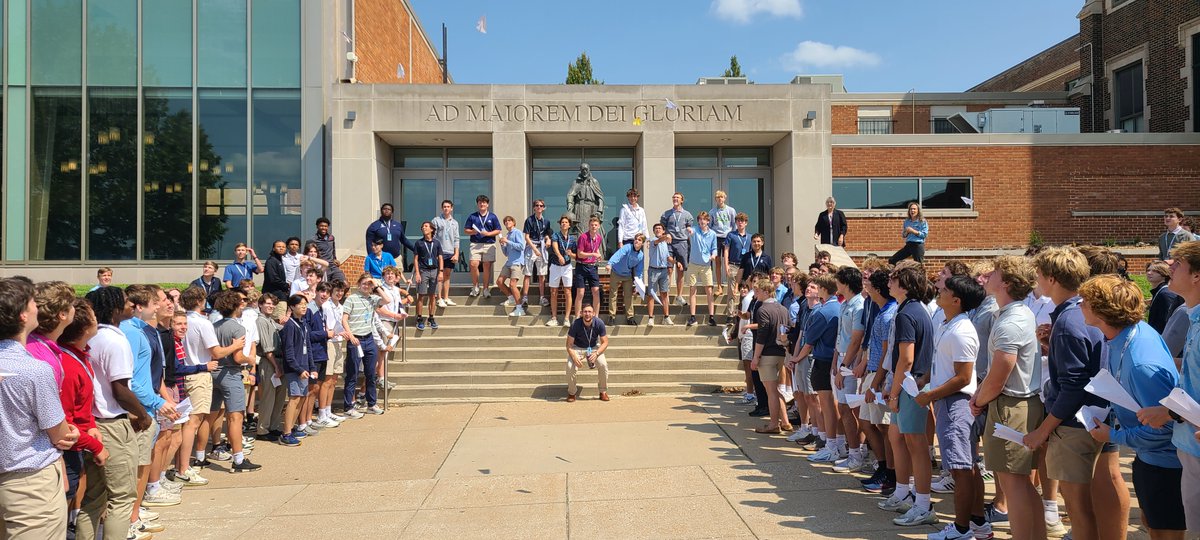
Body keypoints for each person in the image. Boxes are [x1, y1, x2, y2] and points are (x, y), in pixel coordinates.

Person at [1019, 246, 1127, 540]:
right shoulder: (1083, 312)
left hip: (1073, 425)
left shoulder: (1068, 321)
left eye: (1039, 275)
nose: (1036, 281)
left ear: (1052, 279)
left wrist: (1043, 430)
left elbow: (1072, 387)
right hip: (1097, 415)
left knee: (1078, 509)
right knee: (1086, 505)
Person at [1080, 274, 1187, 539]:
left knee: (1165, 534)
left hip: (1165, 465)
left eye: (1084, 301)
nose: (1079, 305)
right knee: (1154, 528)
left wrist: (1112, 435)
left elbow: (1164, 427)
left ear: (1100, 310)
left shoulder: (1140, 364)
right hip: (1150, 459)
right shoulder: (1131, 333)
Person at [968, 256, 1045, 540]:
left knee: (1013, 484)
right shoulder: (1014, 313)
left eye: (996, 273)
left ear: (1008, 283)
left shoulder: (1010, 321)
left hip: (1011, 406)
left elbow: (1001, 372)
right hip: (1015, 404)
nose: (988, 276)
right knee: (1021, 483)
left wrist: (978, 400)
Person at [0, 278, 78, 540]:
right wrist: (74, 433)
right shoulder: (35, 369)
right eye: (33, 302)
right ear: (23, 315)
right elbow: (60, 434)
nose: (38, 307)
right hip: (30, 484)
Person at [77, 287, 150, 540]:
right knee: (121, 498)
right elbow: (120, 390)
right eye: (125, 301)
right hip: (111, 425)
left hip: (91, 424)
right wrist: (143, 414)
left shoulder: (91, 337)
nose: (130, 305)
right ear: (115, 308)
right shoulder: (115, 340)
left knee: (94, 497)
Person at [1139, 240, 1200, 535]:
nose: (1169, 267)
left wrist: (1169, 412)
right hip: (1188, 443)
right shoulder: (1192, 316)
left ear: (1197, 275)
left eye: (1177, 264)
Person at [917, 275, 985, 539]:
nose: (938, 290)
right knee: (965, 466)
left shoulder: (962, 330)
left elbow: (963, 377)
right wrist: (927, 381)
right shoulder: (948, 324)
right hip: (948, 401)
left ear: (956, 300)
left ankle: (961, 528)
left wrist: (930, 394)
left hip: (956, 405)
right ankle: (978, 523)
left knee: (961, 469)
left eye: (944, 290)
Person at [880, 265, 938, 527]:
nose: (889, 284)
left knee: (917, 447)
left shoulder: (907, 314)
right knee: (902, 440)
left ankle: (923, 505)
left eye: (893, 280)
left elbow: (906, 359)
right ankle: (904, 492)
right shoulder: (913, 309)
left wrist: (893, 393)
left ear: (903, 284)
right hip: (912, 385)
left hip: (912, 388)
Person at [204, 291, 260, 472]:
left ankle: (199, 455)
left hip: (213, 373)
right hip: (231, 373)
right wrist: (251, 359)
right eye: (240, 303)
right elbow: (238, 358)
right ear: (235, 307)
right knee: (235, 417)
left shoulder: (214, 325)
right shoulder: (238, 328)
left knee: (209, 415)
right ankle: (238, 459)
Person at [790, 275, 841, 461]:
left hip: (822, 360)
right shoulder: (836, 307)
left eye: (816, 286)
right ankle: (832, 442)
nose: (814, 290)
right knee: (829, 404)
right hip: (829, 360)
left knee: (826, 404)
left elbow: (809, 340)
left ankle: (830, 443)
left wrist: (796, 358)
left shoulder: (823, 312)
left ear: (823, 289)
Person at [832, 266, 867, 473]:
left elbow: (856, 340)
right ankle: (854, 450)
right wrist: (836, 360)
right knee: (845, 407)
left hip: (851, 362)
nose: (836, 284)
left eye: (838, 281)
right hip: (842, 358)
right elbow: (841, 337)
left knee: (849, 407)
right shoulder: (846, 304)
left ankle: (856, 453)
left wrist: (843, 367)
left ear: (846, 283)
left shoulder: (859, 306)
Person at [342, 275, 391, 417]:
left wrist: (375, 285)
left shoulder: (373, 299)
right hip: (355, 339)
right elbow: (344, 319)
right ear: (358, 284)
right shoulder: (351, 299)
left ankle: (372, 404)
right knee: (352, 374)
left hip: (369, 339)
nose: (366, 286)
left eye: (368, 284)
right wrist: (350, 336)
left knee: (371, 373)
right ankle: (348, 407)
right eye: (363, 284)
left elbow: (387, 300)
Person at [750, 277, 792, 433]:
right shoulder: (783, 309)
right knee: (776, 390)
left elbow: (762, 335)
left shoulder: (763, 309)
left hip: (767, 353)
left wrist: (756, 357)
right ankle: (785, 421)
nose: (756, 294)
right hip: (781, 352)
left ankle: (774, 424)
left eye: (758, 291)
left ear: (766, 292)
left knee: (771, 391)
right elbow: (787, 330)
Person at [279, 294, 314, 447]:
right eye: (300, 304)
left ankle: (292, 428)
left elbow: (309, 348)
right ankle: (285, 433)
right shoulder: (290, 326)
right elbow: (289, 352)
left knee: (301, 398)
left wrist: (312, 367)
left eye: (305, 304)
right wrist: (299, 369)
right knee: (294, 399)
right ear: (292, 307)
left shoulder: (304, 324)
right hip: (294, 369)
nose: (304, 307)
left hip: (304, 367)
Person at [565, 304, 609, 402]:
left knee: (603, 364)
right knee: (569, 366)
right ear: (581, 313)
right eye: (585, 311)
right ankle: (572, 393)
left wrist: (597, 353)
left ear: (593, 313)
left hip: (593, 347)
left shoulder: (599, 323)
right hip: (577, 348)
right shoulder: (575, 324)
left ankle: (603, 391)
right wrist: (574, 356)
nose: (587, 314)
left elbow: (605, 342)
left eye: (589, 312)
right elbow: (569, 345)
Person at [465, 195, 502, 298]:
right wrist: (473, 231)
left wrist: (488, 234)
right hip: (475, 243)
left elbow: (498, 230)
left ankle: (485, 289)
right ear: (477, 204)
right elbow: (466, 230)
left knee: (487, 266)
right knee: (473, 264)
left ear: (487, 204)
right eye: (480, 202)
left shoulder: (492, 216)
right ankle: (475, 286)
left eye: (484, 202)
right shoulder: (473, 216)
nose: (482, 204)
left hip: (489, 243)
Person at [660, 192, 695, 302]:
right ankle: (667, 293)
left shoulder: (687, 214)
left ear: (682, 200)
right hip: (669, 243)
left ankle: (679, 296)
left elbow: (689, 226)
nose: (675, 199)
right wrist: (667, 234)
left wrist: (689, 230)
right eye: (674, 197)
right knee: (669, 269)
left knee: (680, 270)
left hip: (682, 243)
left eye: (677, 198)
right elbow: (661, 228)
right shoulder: (666, 214)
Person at [686, 211, 718, 327]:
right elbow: (690, 230)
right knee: (692, 290)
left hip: (706, 265)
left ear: (708, 221)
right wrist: (689, 230)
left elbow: (714, 248)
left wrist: (713, 255)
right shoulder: (695, 230)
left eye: (704, 219)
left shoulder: (713, 234)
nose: (702, 222)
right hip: (693, 264)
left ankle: (711, 317)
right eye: (700, 219)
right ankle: (693, 317)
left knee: (709, 291)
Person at [607, 233, 646, 326]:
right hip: (616, 272)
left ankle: (630, 317)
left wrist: (638, 284)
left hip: (627, 275)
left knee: (628, 296)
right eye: (636, 239)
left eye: (640, 240)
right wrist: (610, 263)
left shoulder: (641, 255)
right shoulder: (627, 247)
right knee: (613, 294)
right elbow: (618, 255)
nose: (637, 241)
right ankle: (611, 316)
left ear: (643, 243)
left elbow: (639, 271)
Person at [412, 221, 444, 330]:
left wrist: (441, 271)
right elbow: (415, 259)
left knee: (433, 295)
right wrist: (417, 273)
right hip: (423, 271)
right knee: (421, 295)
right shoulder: (419, 243)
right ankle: (419, 318)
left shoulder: (437, 243)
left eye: (426, 226)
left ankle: (431, 318)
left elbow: (440, 258)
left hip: (434, 271)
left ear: (431, 229)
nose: (423, 228)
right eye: (422, 227)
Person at [546, 215, 577, 328]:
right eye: (562, 222)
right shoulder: (556, 235)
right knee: (554, 291)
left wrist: (571, 254)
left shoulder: (573, 239)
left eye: (566, 222)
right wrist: (559, 255)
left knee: (568, 291)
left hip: (567, 267)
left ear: (569, 225)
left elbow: (576, 255)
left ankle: (567, 318)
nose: (564, 224)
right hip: (555, 266)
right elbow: (554, 246)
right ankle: (554, 317)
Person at [523, 200, 553, 307]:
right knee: (527, 273)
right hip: (532, 247)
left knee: (542, 274)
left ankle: (542, 297)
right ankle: (525, 297)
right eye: (537, 206)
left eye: (541, 206)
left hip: (542, 248)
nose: (539, 207)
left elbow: (546, 234)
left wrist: (548, 239)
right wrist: (534, 249)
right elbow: (526, 237)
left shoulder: (546, 221)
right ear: (534, 208)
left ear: (544, 208)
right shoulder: (529, 220)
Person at [574, 216, 604, 321]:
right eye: (592, 225)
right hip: (581, 266)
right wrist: (593, 254)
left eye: (596, 225)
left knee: (596, 291)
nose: (594, 227)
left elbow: (596, 250)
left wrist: (598, 255)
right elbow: (580, 254)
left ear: (599, 226)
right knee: (580, 292)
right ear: (589, 226)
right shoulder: (583, 237)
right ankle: (577, 317)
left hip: (592, 267)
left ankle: (596, 317)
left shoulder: (599, 238)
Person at [432, 200, 461, 308]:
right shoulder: (436, 220)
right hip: (440, 252)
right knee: (440, 275)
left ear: (451, 208)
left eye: (448, 207)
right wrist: (434, 252)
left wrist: (456, 253)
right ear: (441, 208)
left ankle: (446, 297)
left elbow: (457, 239)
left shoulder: (455, 222)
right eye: (444, 206)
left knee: (447, 275)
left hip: (450, 252)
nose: (446, 208)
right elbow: (433, 237)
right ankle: (439, 298)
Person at [497, 215, 528, 317]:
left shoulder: (517, 232)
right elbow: (506, 253)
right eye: (505, 221)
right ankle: (510, 297)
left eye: (509, 221)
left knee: (512, 285)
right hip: (509, 262)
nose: (507, 222)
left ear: (513, 223)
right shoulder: (508, 235)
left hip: (517, 262)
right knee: (499, 282)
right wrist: (502, 245)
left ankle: (520, 308)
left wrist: (508, 241)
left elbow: (521, 246)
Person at [710, 191, 737, 296]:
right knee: (717, 262)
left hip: (728, 237)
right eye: (717, 197)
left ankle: (733, 285)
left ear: (725, 198)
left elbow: (734, 224)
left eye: (721, 197)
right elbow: (710, 226)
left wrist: (733, 236)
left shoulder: (731, 210)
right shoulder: (712, 212)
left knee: (729, 262)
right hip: (717, 238)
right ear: (715, 199)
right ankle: (719, 286)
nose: (720, 199)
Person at [646, 223, 673, 327]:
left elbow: (667, 257)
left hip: (664, 270)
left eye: (659, 228)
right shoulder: (653, 241)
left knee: (665, 294)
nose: (657, 230)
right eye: (656, 228)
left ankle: (666, 317)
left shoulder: (665, 244)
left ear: (663, 230)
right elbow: (659, 240)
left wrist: (676, 262)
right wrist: (667, 236)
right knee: (652, 294)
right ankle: (651, 318)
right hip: (654, 270)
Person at [1147, 261, 1184, 334]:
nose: (1149, 273)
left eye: (1155, 271)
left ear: (1164, 273)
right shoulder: (1159, 292)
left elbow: (1167, 320)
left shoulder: (1165, 294)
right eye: (1148, 270)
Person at [310, 217, 346, 282]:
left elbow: (333, 250)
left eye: (326, 226)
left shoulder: (331, 238)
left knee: (344, 284)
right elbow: (309, 254)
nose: (324, 228)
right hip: (323, 267)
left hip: (333, 266)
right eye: (321, 226)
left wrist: (335, 258)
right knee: (326, 287)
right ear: (317, 226)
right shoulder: (313, 240)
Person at [726, 213, 750, 294]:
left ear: (746, 223)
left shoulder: (750, 237)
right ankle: (731, 307)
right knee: (732, 292)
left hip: (745, 266)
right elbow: (726, 250)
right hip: (733, 265)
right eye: (738, 221)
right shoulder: (731, 235)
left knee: (745, 290)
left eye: (742, 221)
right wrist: (726, 265)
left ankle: (743, 307)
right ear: (736, 222)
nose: (740, 223)